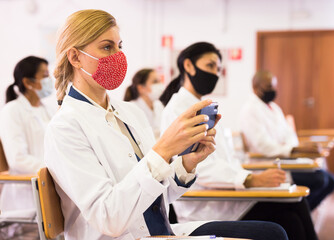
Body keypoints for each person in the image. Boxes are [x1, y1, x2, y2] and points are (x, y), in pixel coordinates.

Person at [45, 9, 288, 240]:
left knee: (273, 232)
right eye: (106, 47)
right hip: (127, 235)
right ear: (75, 57)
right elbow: (109, 218)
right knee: (273, 234)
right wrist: (162, 151)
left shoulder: (130, 113)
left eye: (120, 47)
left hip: (160, 230)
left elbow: (160, 196)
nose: (117, 57)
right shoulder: (65, 127)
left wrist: (186, 164)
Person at [160, 42, 318, 240]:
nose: (215, 73)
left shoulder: (206, 106)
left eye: (218, 69)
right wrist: (250, 179)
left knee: (294, 209)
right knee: (287, 221)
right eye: (210, 66)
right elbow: (200, 168)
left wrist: (249, 177)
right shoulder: (178, 111)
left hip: (230, 199)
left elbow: (227, 160)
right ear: (189, 66)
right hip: (207, 207)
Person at [240, 70, 334, 211]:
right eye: (268, 87)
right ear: (255, 87)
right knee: (321, 180)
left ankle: (301, 212)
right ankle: (298, 212)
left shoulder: (274, 108)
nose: (272, 90)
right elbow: (263, 146)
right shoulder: (249, 111)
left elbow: (290, 135)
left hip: (289, 161)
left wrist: (294, 147)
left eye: (274, 86)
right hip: (269, 165)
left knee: (332, 182)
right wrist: (293, 149)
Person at [0, 56, 54, 213]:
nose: (49, 80)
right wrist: (56, 169)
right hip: (25, 199)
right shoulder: (12, 110)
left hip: (48, 189)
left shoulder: (48, 111)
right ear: (28, 82)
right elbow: (18, 160)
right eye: (44, 76)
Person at [124, 68, 164, 139]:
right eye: (155, 82)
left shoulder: (158, 105)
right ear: (141, 88)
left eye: (159, 81)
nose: (160, 85)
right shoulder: (131, 108)